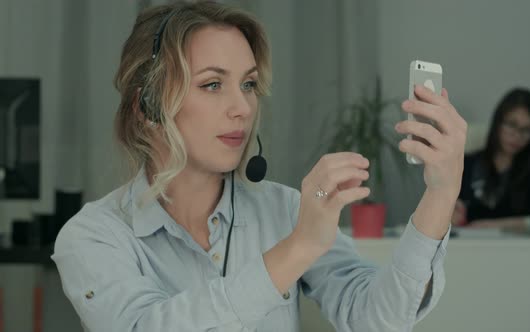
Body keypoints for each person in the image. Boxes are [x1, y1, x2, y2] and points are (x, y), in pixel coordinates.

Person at [51, 2, 466, 331]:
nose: (242, 108)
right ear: (148, 106)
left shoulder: (288, 211)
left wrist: (441, 193)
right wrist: (298, 247)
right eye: (213, 84)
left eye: (248, 84)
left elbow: (380, 320)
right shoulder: (93, 237)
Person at [452, 88, 530, 231]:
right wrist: (451, 211)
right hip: (470, 245)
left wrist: (493, 226)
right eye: (511, 125)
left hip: (522, 248)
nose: (517, 136)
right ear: (498, 122)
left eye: (526, 130)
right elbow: (446, 209)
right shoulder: (467, 164)